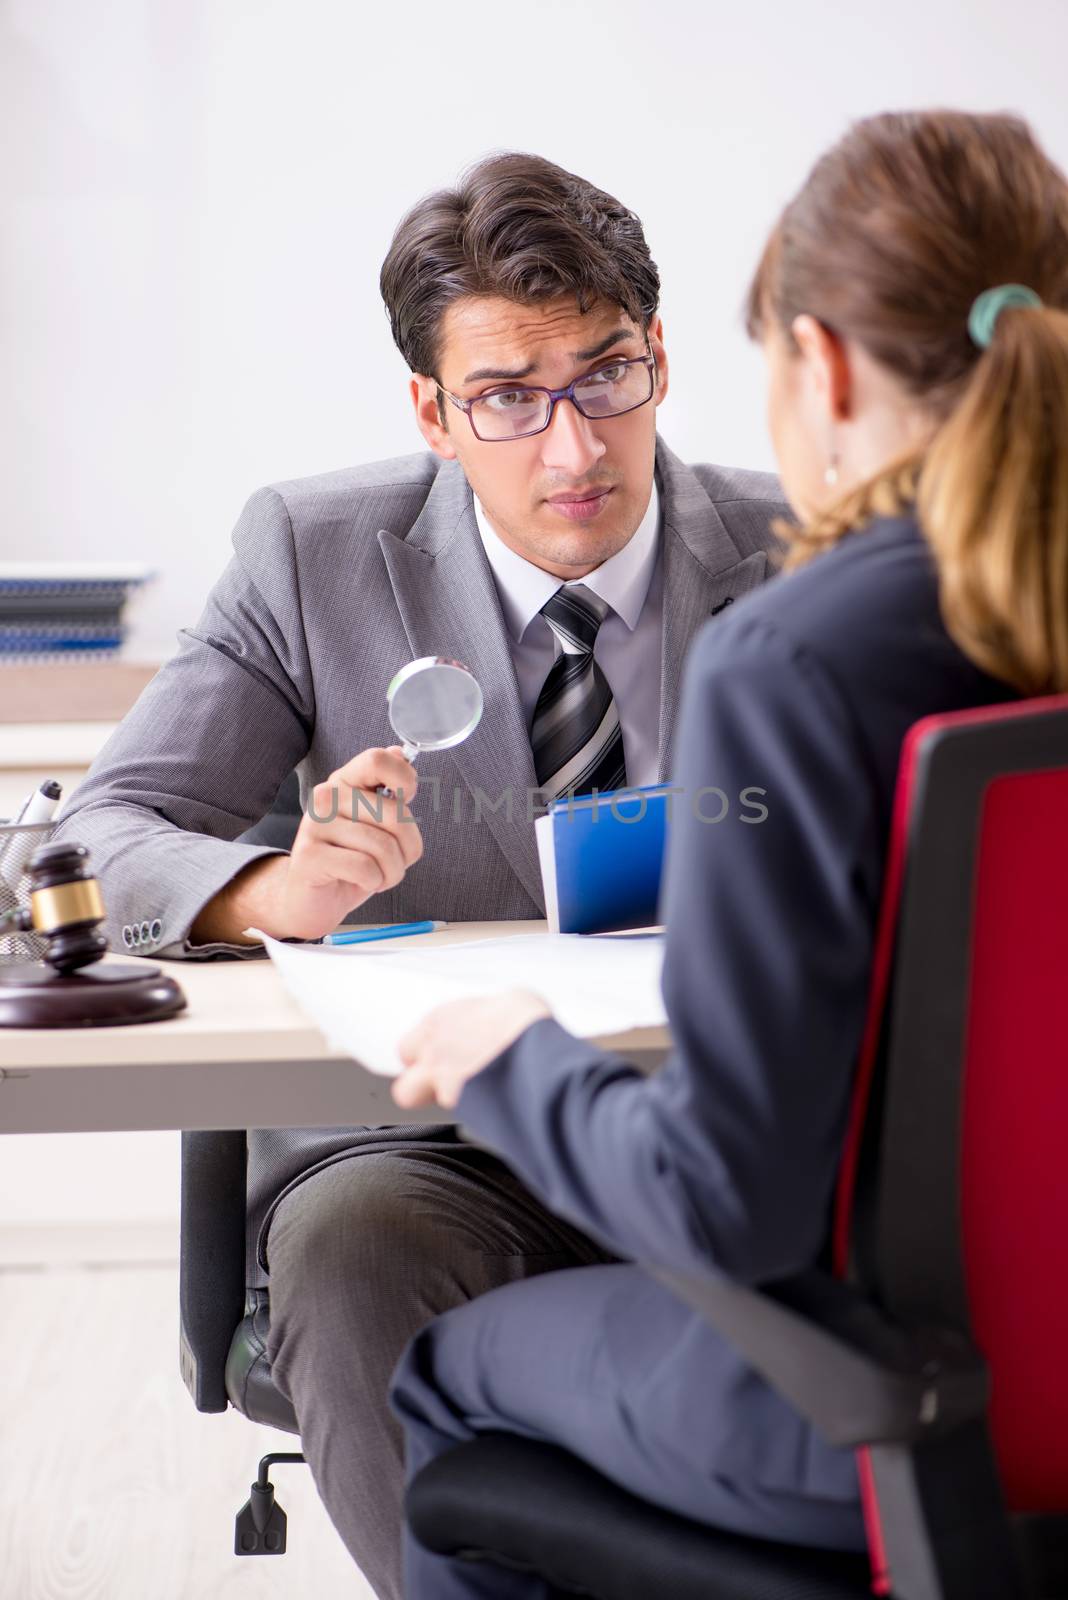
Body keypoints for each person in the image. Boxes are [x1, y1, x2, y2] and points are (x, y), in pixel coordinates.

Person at [52, 153, 787, 1597]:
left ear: (660, 361)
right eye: (510, 397)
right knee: (350, 1244)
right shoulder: (314, 554)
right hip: (438, 1146)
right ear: (434, 415)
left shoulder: (801, 546)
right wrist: (276, 890)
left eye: (607, 376)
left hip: (737, 1120)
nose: (573, 447)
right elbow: (90, 840)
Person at [388, 108, 1068, 1597]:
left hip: (912, 1412)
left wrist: (511, 1058)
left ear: (817, 366)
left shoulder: (801, 658)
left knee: (450, 1375)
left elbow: (727, 1202)